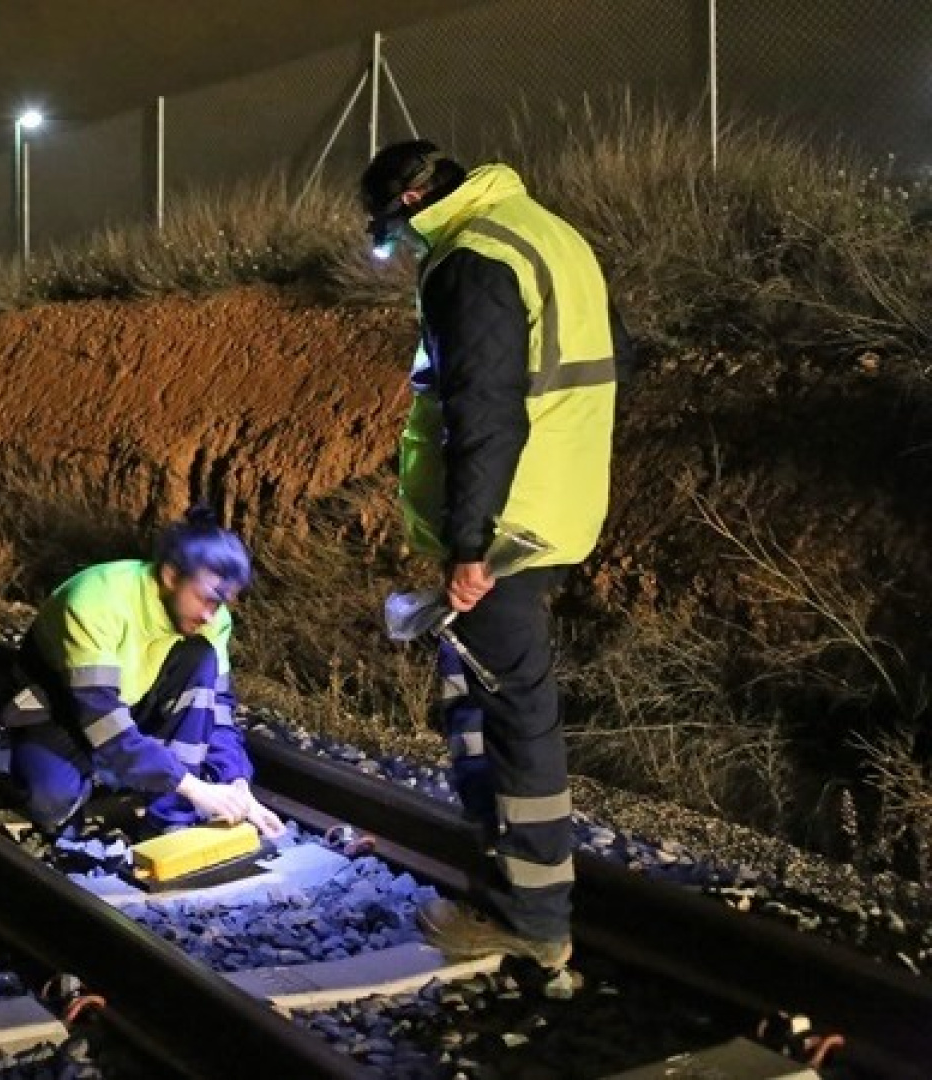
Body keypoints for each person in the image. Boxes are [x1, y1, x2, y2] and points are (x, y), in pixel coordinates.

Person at [359, 139, 624, 969]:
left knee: (514, 712)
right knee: (475, 687)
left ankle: (533, 916)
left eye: (395, 241)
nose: (403, 257)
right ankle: (503, 861)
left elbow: (484, 412)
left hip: (508, 522)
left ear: (408, 207)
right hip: (558, 501)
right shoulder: (547, 231)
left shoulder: (469, 262)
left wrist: (470, 545)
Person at [0, 509, 285, 842]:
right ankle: (125, 772)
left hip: (132, 704)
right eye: (206, 599)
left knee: (200, 658)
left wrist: (235, 782)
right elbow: (100, 716)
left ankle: (169, 817)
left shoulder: (212, 620)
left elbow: (217, 711)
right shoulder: (98, 600)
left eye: (221, 603)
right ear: (170, 575)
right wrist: (192, 786)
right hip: (59, 709)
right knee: (53, 806)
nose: (211, 614)